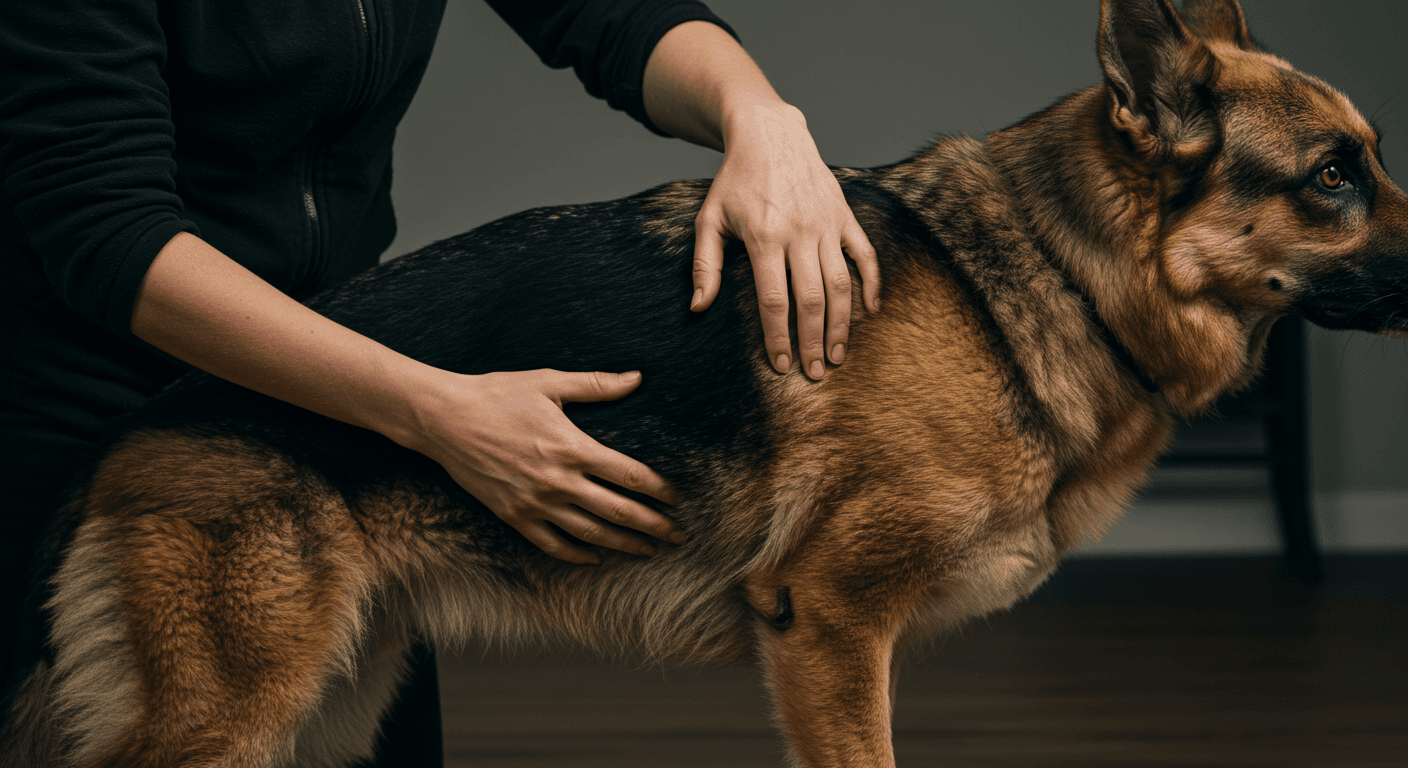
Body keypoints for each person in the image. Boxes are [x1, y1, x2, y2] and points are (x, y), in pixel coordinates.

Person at [0, 0, 878, 764]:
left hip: (344, 407)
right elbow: (107, 235)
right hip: (117, 402)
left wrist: (759, 117)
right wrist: (433, 408)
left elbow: (616, 14)